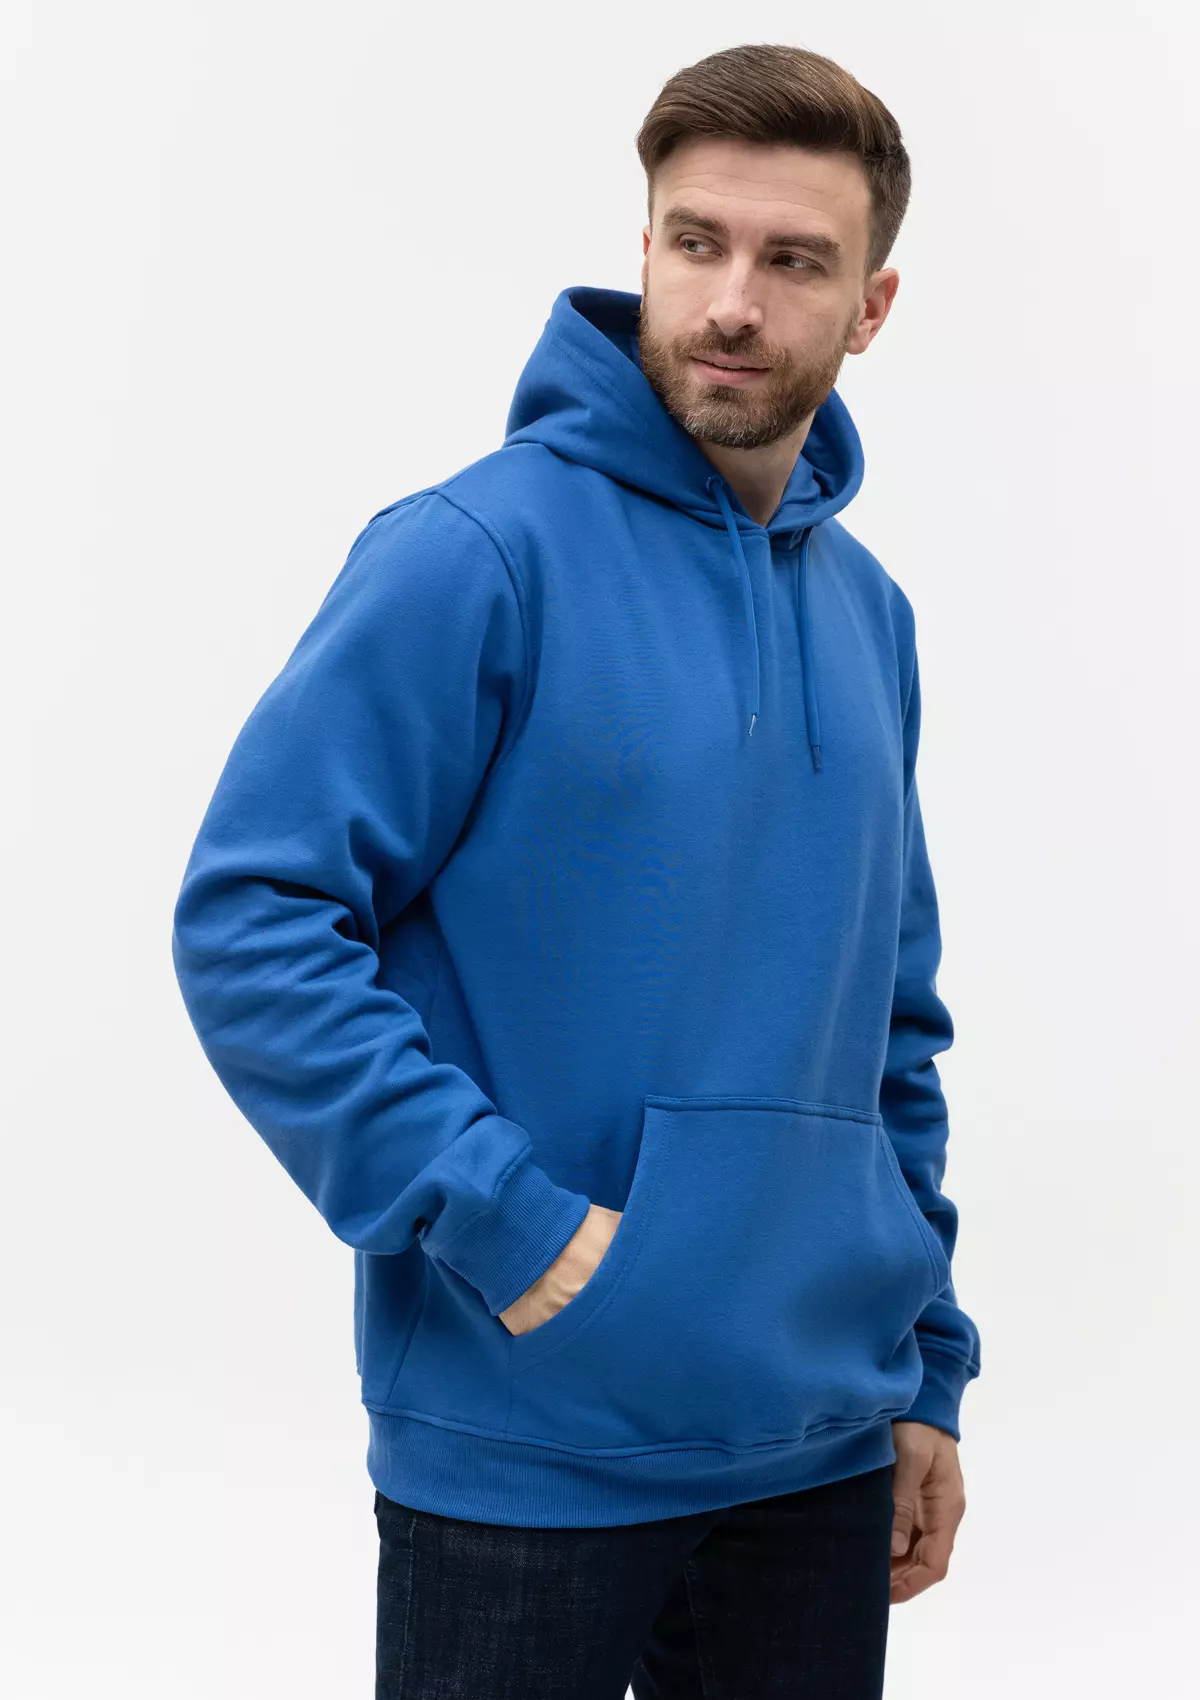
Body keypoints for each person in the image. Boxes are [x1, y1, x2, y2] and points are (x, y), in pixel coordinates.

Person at [171, 39, 982, 1700]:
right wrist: (507, 1224)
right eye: (697, 242)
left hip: (821, 1445)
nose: (732, 303)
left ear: (872, 307)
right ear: (645, 249)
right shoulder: (473, 556)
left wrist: (926, 1370)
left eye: (794, 261)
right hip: (525, 1448)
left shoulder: (872, 616)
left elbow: (888, 1024)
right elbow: (256, 920)